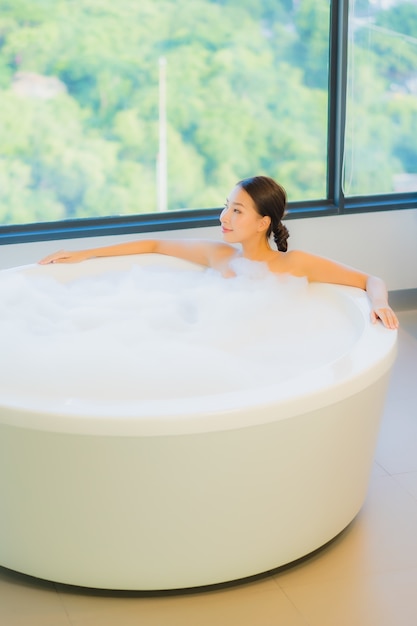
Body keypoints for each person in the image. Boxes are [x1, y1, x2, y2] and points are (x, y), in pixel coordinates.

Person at [39, 175, 399, 329]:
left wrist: (379, 303)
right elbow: (152, 244)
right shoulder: (219, 255)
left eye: (237, 211)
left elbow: (371, 280)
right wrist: (86, 254)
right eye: (226, 206)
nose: (224, 217)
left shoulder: (292, 264)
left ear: (263, 222)